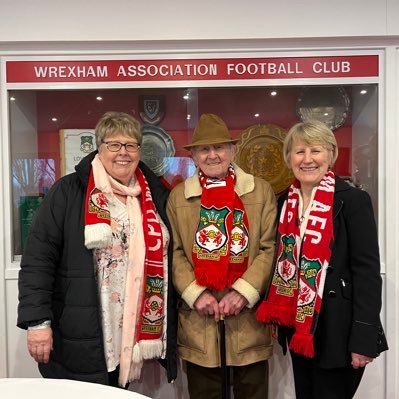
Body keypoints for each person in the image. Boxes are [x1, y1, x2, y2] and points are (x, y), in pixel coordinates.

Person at [17, 111, 177, 388]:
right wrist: (37, 323)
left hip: (132, 326)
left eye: (131, 145)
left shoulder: (155, 194)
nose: (123, 153)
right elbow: (38, 260)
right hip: (84, 326)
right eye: (114, 144)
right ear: (99, 148)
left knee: (119, 390)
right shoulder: (69, 191)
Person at [257, 120, 388, 399]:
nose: (307, 160)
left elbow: (366, 272)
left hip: (338, 330)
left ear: (330, 154)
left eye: (315, 151)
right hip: (300, 326)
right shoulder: (285, 203)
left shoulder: (352, 200)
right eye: (299, 151)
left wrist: (363, 338)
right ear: (288, 158)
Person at [166, 113, 277, 399]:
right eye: (204, 149)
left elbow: (269, 247)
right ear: (193, 156)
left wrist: (243, 292)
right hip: (199, 322)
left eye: (219, 148)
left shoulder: (261, 192)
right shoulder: (179, 197)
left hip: (248, 321)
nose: (212, 155)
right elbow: (174, 251)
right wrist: (196, 294)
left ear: (232, 151)